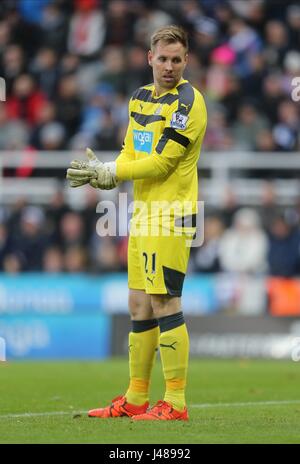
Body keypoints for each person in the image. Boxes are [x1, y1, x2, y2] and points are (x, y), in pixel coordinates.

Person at [66, 25, 207, 421]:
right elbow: (132, 150)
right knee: (139, 303)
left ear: (185, 61)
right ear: (149, 58)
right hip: (143, 213)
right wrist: (103, 173)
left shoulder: (188, 103)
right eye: (162, 59)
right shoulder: (138, 98)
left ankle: (175, 403)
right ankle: (136, 397)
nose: (169, 67)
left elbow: (163, 161)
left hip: (173, 214)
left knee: (164, 301)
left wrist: (113, 171)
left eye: (176, 60)